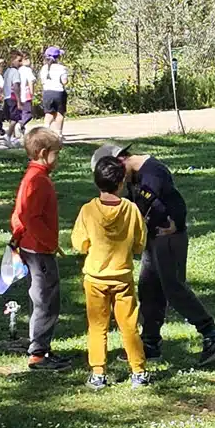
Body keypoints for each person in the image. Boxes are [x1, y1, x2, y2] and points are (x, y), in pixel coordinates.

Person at [90, 143, 215, 366]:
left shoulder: (152, 173)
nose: (119, 183)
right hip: (153, 238)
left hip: (168, 239)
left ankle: (211, 333)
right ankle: (150, 343)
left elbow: (170, 204)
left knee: (173, 288)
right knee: (149, 289)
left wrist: (176, 223)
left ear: (121, 159)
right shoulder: (135, 175)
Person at [71, 155, 150, 390]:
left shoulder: (88, 210)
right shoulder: (132, 209)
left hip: (95, 279)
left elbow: (79, 243)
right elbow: (140, 244)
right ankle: (138, 371)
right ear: (121, 183)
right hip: (122, 277)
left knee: (97, 326)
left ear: (96, 182)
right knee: (129, 326)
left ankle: (98, 373)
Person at [9, 127, 71, 371]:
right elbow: (29, 216)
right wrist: (50, 243)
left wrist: (18, 235)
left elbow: (18, 214)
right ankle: (38, 353)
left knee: (42, 296)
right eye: (57, 153)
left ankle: (40, 346)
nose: (58, 158)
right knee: (46, 300)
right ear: (44, 153)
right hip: (39, 250)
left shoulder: (32, 177)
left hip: (31, 246)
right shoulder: (38, 181)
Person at [39, 46, 68, 138]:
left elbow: (42, 81)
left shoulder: (44, 68)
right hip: (58, 92)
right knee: (59, 114)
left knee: (48, 113)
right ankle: (58, 133)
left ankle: (45, 129)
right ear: (58, 57)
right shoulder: (61, 68)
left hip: (47, 92)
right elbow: (64, 81)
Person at [3, 50, 23, 148]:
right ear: (12, 60)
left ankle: (13, 138)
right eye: (19, 61)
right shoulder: (15, 72)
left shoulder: (7, 71)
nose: (21, 63)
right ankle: (8, 136)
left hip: (7, 97)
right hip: (13, 97)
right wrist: (19, 101)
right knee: (15, 119)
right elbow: (15, 86)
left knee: (12, 118)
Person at [18, 52, 36, 136]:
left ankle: (21, 128)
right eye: (26, 59)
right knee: (28, 113)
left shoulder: (17, 70)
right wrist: (32, 93)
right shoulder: (27, 70)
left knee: (21, 113)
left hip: (18, 94)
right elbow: (30, 81)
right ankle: (20, 124)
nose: (29, 60)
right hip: (25, 93)